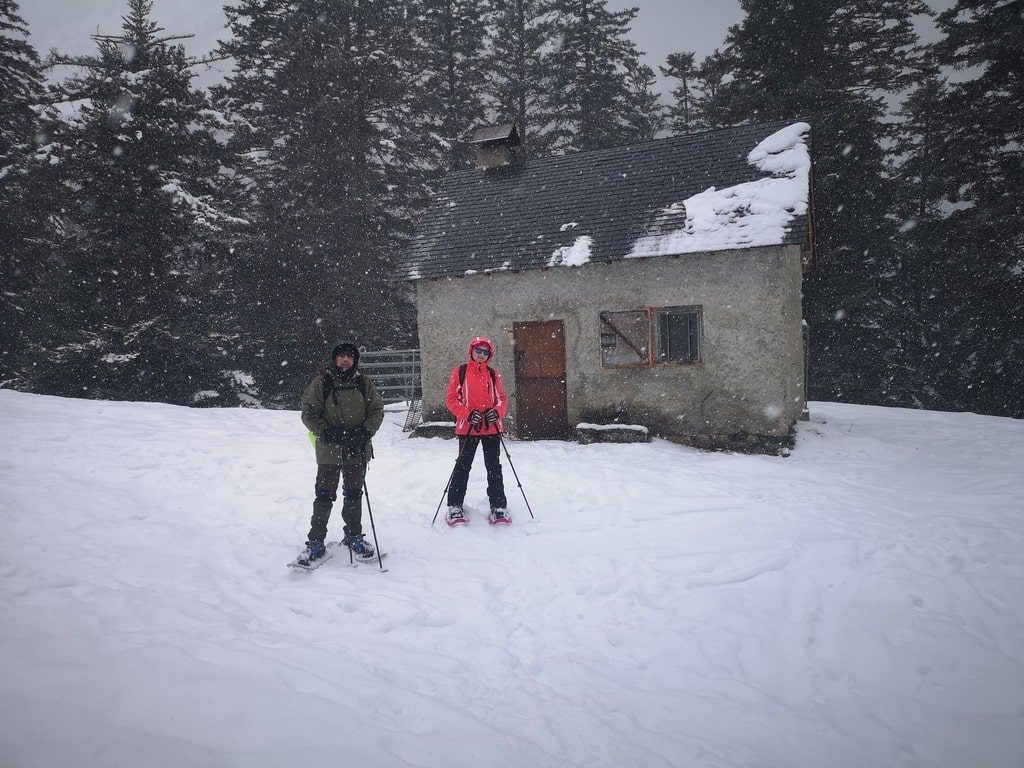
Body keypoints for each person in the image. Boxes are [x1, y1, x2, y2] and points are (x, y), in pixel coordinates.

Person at [296, 342, 384, 564]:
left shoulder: (364, 383)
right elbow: (308, 413)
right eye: (341, 356)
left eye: (350, 356)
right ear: (335, 359)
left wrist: (365, 432)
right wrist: (326, 431)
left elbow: (376, 410)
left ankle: (353, 535)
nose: (345, 360)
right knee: (324, 494)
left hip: (357, 447)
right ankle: (315, 542)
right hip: (329, 448)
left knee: (354, 492)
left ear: (355, 360)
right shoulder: (322, 382)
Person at [444, 336, 510, 525]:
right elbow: (451, 399)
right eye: (478, 351)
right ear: (471, 351)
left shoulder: (492, 373)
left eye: (485, 352)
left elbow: (502, 400)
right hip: (468, 428)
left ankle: (498, 506)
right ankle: (455, 505)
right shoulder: (461, 371)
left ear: (489, 355)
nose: (481, 355)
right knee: (463, 466)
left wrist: (496, 413)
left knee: (494, 467)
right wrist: (466, 413)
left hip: (490, 427)